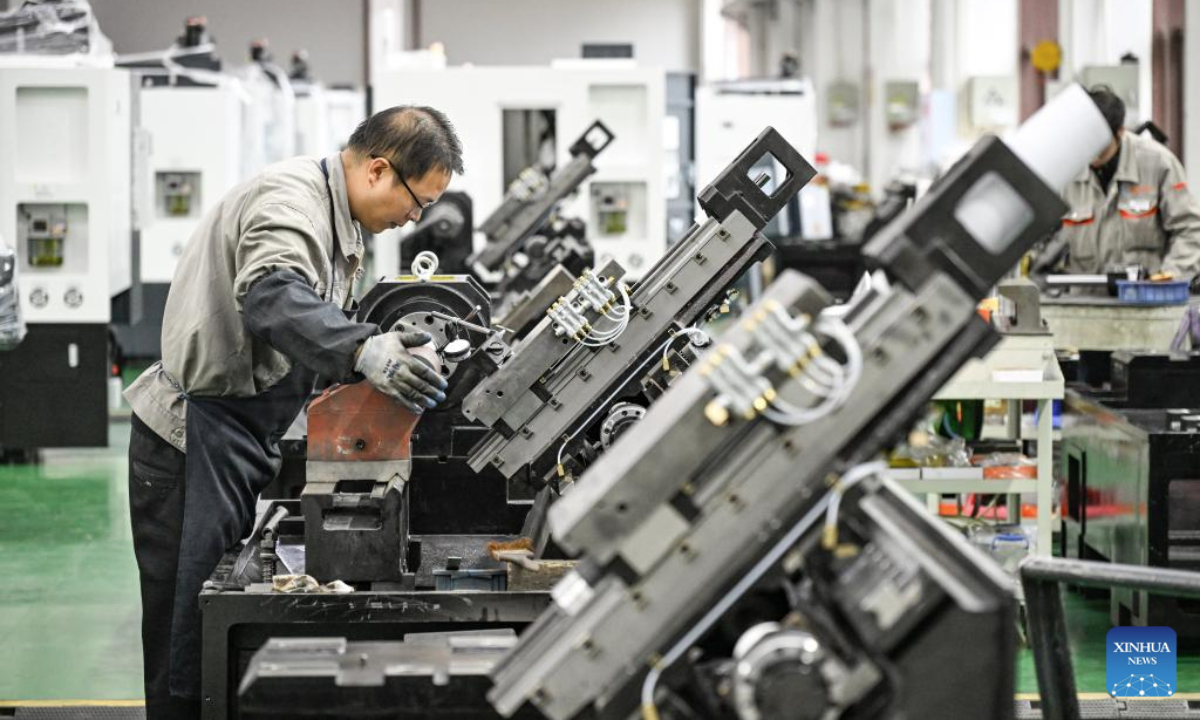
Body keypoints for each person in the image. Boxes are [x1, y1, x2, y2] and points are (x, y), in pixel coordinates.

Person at [123, 105, 463, 718]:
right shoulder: (292, 201)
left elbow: (309, 315)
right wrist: (364, 351)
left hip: (236, 428)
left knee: (203, 613)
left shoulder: (343, 219)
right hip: (193, 434)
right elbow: (271, 295)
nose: (414, 219)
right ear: (379, 170)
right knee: (188, 630)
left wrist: (378, 348)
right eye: (416, 202)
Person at [1054, 86, 1200, 281]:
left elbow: (1189, 228)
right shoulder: (1064, 169)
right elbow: (1044, 240)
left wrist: (1170, 276)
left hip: (1144, 301)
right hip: (1082, 302)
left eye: (1099, 143)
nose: (1090, 150)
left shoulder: (1158, 163)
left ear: (1120, 132)